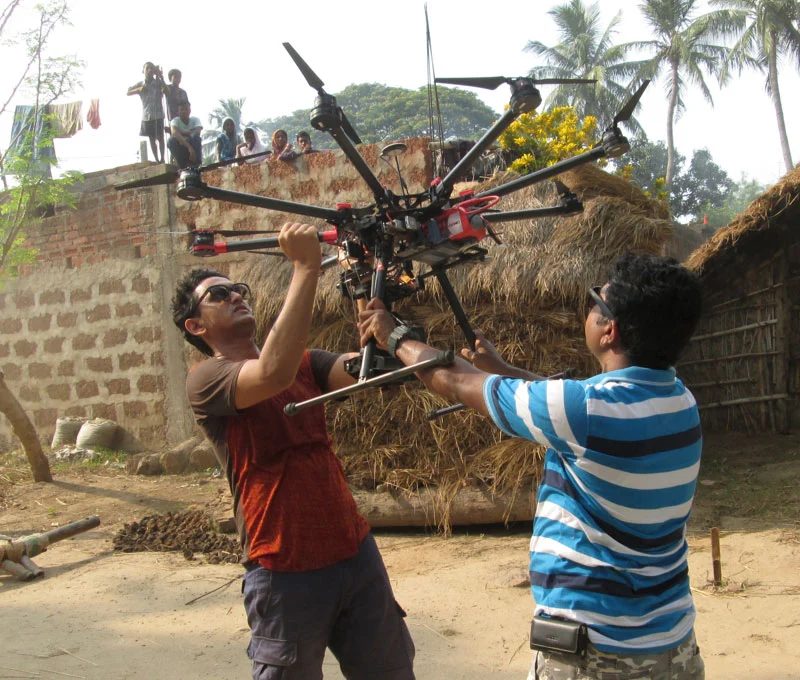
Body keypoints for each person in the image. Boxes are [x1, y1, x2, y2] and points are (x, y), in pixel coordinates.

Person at [358, 253, 705, 680]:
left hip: (595, 656)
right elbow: (573, 412)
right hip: (673, 649)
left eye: (596, 302)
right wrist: (504, 372)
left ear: (609, 330)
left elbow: (457, 380)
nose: (590, 309)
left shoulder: (585, 413)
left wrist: (395, 336)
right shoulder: (680, 402)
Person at [170, 222, 415, 680]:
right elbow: (272, 373)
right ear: (195, 325)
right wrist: (304, 267)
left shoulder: (307, 363)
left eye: (237, 288)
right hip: (283, 567)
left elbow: (371, 372)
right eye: (219, 295)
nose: (236, 295)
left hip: (354, 551)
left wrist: (373, 305)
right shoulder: (206, 379)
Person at [127, 61, 166, 163]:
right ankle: (157, 160)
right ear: (143, 71)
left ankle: (162, 158)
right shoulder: (141, 84)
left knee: (160, 137)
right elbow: (128, 92)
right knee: (152, 139)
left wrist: (161, 77)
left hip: (158, 113)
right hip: (147, 115)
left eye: (151, 68)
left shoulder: (158, 82)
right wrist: (139, 89)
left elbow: (167, 92)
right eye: (147, 68)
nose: (149, 70)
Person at [167, 102, 203, 169]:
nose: (184, 111)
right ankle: (182, 167)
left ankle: (197, 165)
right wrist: (189, 147)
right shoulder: (175, 121)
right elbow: (174, 133)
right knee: (171, 141)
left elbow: (197, 132)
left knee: (195, 137)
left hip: (193, 146)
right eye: (181, 109)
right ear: (178, 111)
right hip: (182, 148)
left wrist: (181, 133)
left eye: (186, 109)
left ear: (190, 110)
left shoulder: (195, 119)